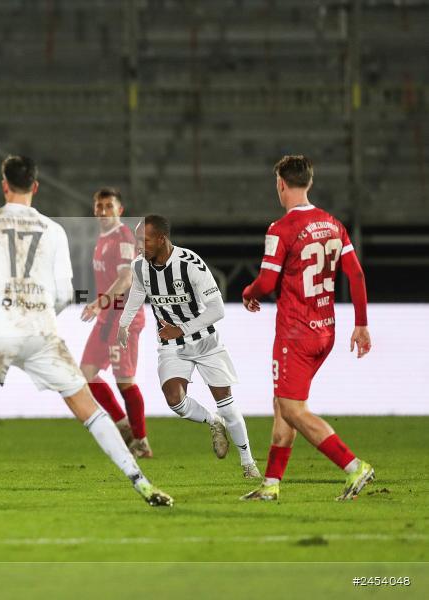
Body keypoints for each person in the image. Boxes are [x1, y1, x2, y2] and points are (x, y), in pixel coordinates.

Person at [0, 155, 172, 509]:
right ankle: (142, 482)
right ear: (35, 186)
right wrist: (42, 313)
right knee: (88, 409)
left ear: (4, 185)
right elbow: (63, 294)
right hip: (42, 333)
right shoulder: (54, 230)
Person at [240, 155, 373, 501]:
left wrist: (248, 292)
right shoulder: (333, 224)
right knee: (283, 404)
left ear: (281, 183)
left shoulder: (280, 229)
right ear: (309, 182)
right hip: (325, 331)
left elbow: (267, 283)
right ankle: (271, 485)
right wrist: (361, 324)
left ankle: (353, 466)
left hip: (295, 334)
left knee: (293, 409)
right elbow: (356, 275)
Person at [118, 215, 259, 478]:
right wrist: (123, 324)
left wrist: (181, 328)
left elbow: (217, 309)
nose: (139, 246)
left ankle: (248, 463)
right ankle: (212, 421)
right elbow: (137, 292)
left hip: (205, 342)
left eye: (144, 240)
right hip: (171, 344)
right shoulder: (139, 266)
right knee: (175, 400)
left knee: (227, 405)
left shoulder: (190, 264)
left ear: (161, 239)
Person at [79, 187, 151, 457]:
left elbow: (126, 279)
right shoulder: (102, 239)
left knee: (125, 381)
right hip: (107, 318)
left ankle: (141, 442)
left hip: (123, 319)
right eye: (99, 206)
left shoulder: (123, 238)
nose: (103, 211)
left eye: (109, 206)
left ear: (120, 210)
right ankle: (125, 429)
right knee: (86, 374)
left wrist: (99, 303)